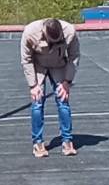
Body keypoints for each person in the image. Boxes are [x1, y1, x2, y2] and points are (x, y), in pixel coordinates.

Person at [21, 16, 80, 157]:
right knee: (37, 102)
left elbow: (74, 56)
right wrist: (33, 85)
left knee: (63, 100)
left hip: (58, 64)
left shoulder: (70, 32)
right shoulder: (30, 32)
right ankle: (38, 142)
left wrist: (67, 82)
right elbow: (26, 60)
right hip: (38, 66)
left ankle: (67, 140)